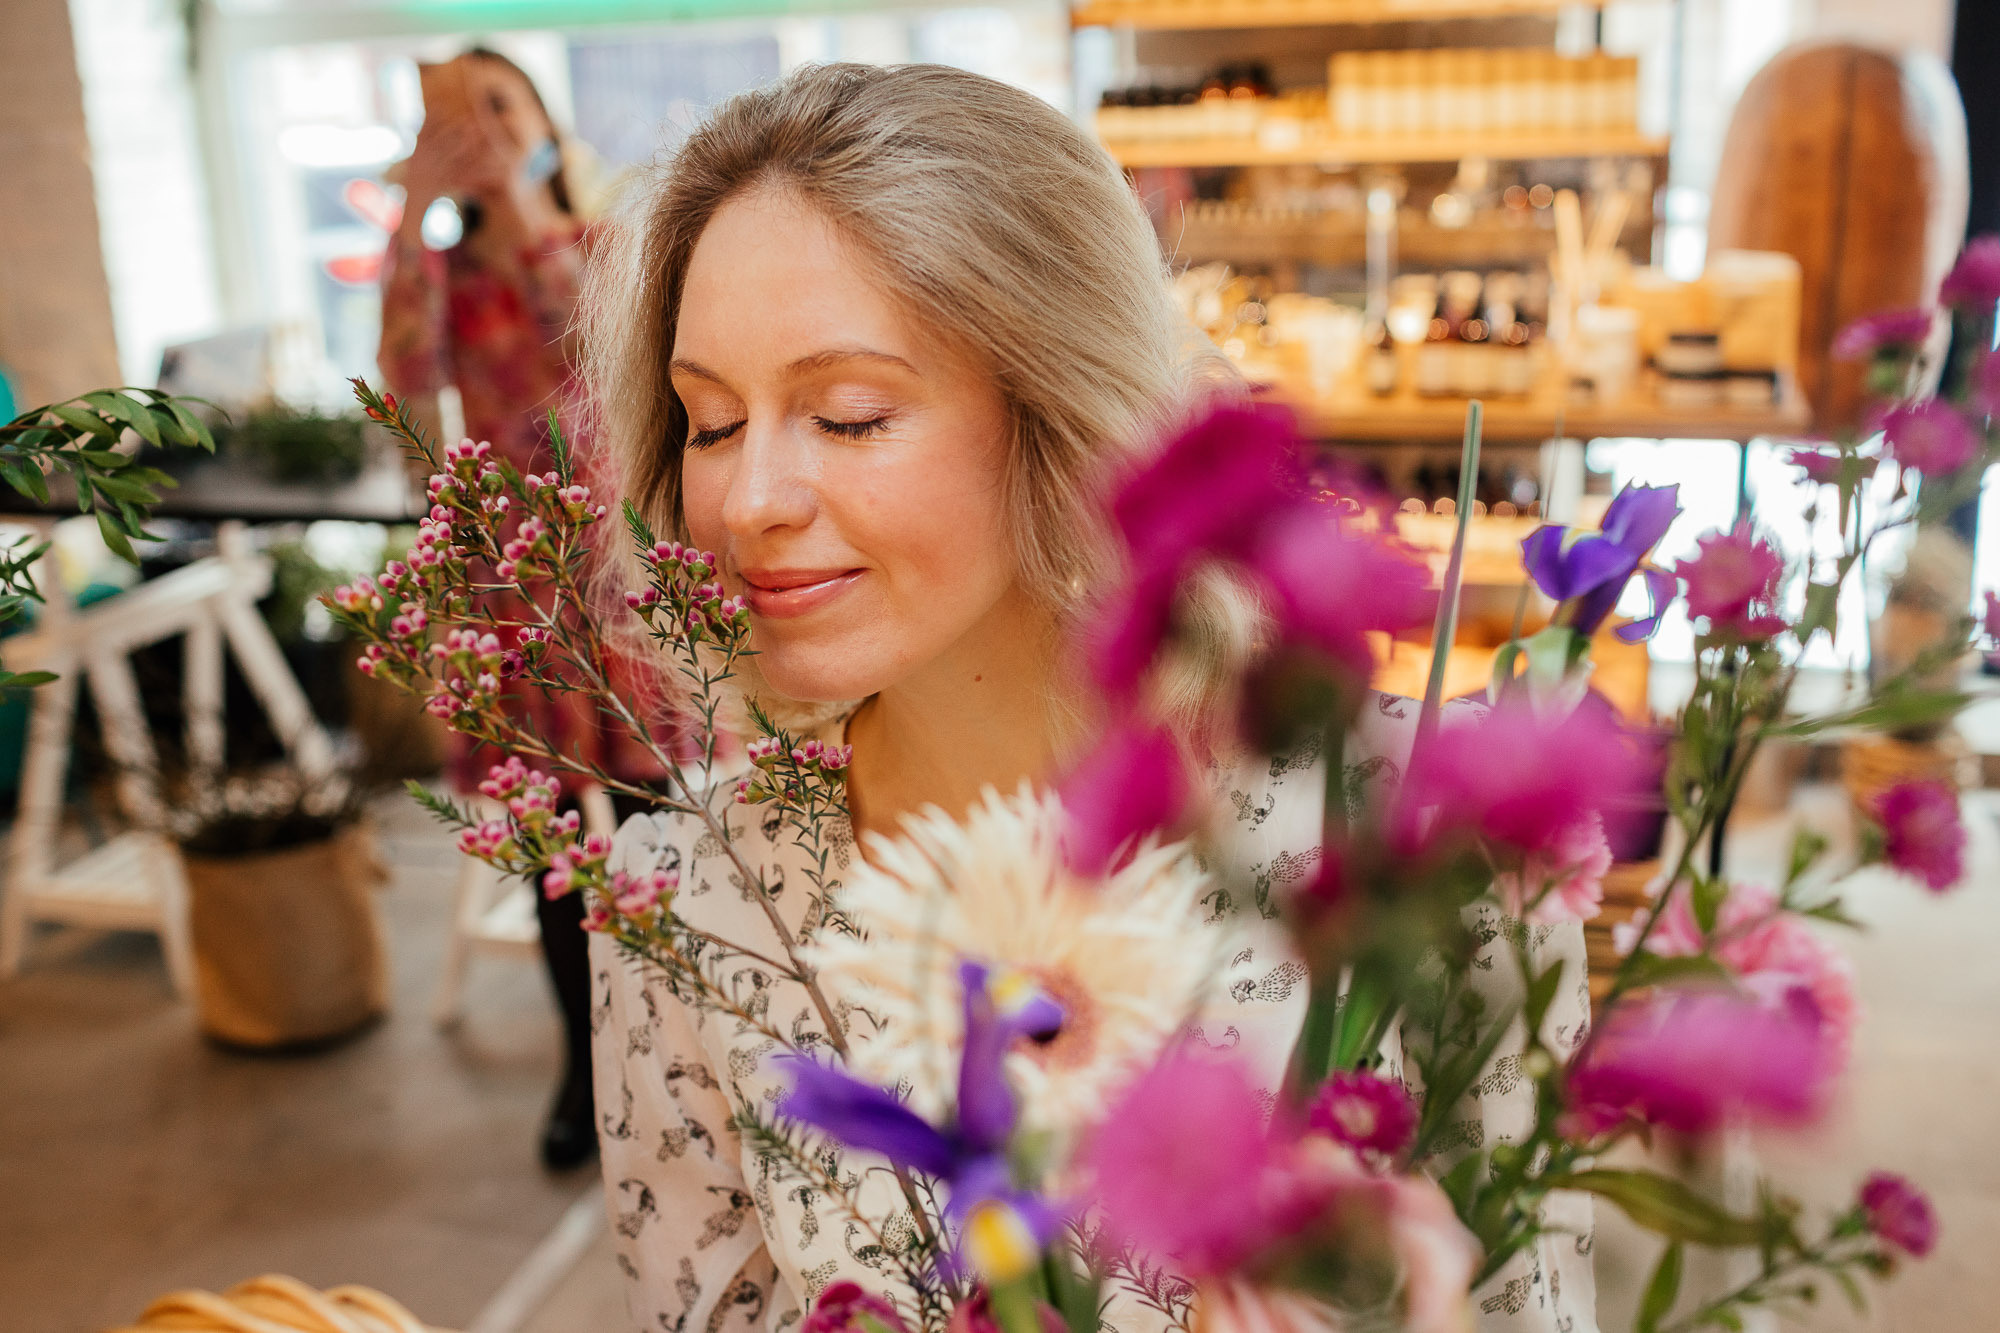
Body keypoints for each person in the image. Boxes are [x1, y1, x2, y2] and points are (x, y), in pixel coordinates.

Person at [579, 63, 1596, 1333]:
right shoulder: (685, 897)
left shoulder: (1411, 840)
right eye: (710, 422)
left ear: (1055, 410)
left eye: (845, 415)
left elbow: (1528, 1300)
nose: (747, 502)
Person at [377, 47, 608, 1171]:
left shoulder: (604, 244)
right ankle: (584, 1059)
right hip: (512, 586)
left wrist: (519, 194)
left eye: (496, 106)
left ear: (543, 115)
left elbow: (594, 350)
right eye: (448, 118)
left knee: (660, 822)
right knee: (554, 848)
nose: (477, 130)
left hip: (616, 574)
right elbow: (404, 389)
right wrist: (417, 204)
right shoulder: (445, 278)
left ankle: (671, 1046)